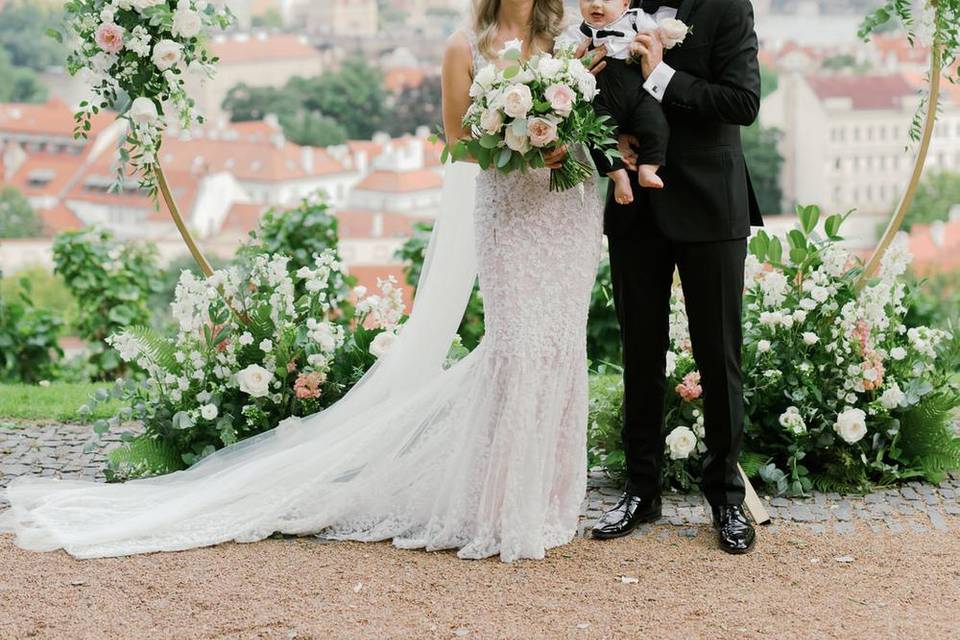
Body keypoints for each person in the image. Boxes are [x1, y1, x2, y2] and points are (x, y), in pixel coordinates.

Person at [0, 0, 604, 563]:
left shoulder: (568, 39)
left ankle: (544, 500)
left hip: (564, 212)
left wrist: (562, 143)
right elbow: (457, 143)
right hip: (508, 213)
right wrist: (515, 141)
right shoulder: (462, 47)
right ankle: (498, 507)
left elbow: (593, 121)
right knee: (515, 350)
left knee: (557, 349)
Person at [591, 0, 765, 554]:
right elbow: (594, 96)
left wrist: (660, 75)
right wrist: (606, 134)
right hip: (635, 205)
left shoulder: (727, 7)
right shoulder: (617, 5)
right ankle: (641, 492)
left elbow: (743, 102)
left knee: (719, 357)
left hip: (711, 203)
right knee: (639, 353)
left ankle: (726, 498)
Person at [570, 0, 674, 204]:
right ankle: (619, 177)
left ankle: (648, 168)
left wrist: (651, 40)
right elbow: (565, 52)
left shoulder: (636, 19)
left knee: (656, 123)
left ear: (625, 3)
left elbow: (658, 34)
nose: (596, 5)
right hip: (601, 96)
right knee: (596, 134)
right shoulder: (579, 31)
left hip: (638, 93)